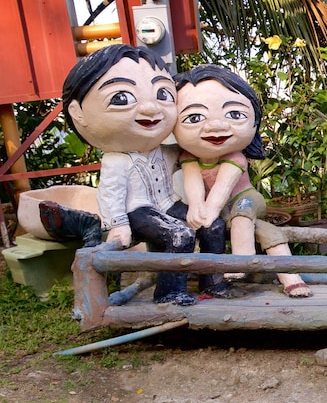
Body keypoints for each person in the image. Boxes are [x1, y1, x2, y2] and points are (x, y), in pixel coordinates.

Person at [61, 44, 228, 305]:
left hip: (167, 204)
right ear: (78, 114)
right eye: (121, 98)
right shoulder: (117, 160)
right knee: (179, 234)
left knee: (213, 225)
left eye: (163, 94)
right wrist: (118, 225)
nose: (151, 108)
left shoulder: (165, 151)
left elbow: (191, 152)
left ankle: (213, 281)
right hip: (137, 210)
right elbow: (110, 193)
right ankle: (169, 292)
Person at [173, 64, 312, 298]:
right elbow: (193, 185)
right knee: (267, 231)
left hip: (245, 200)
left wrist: (207, 212)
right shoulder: (188, 157)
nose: (216, 126)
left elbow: (220, 191)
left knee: (241, 218)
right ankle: (291, 279)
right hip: (217, 211)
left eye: (235, 114)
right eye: (194, 117)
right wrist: (197, 207)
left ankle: (241, 263)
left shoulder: (236, 157)